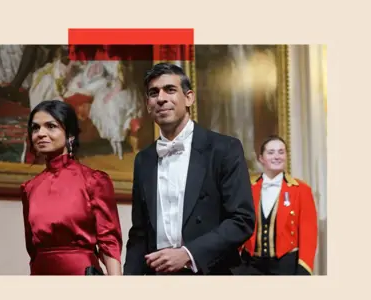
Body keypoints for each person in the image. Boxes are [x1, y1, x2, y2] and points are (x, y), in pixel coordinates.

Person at [123, 63, 255, 275]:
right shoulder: (143, 160)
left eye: (170, 89)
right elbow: (139, 233)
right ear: (148, 104)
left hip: (212, 274)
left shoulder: (224, 149)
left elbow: (242, 220)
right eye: (153, 93)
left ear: (189, 98)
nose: (161, 98)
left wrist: (188, 253)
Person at [20, 100, 123, 275]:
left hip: (81, 273)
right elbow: (32, 249)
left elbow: (109, 242)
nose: (40, 133)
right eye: (35, 128)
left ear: (70, 135)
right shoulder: (29, 188)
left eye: (51, 126)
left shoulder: (94, 180)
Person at [237, 135, 318, 275]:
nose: (277, 156)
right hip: (250, 265)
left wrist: (304, 269)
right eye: (271, 152)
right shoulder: (248, 188)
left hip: (286, 264)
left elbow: (309, 233)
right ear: (261, 158)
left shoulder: (301, 190)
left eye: (281, 152)